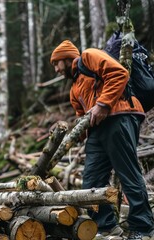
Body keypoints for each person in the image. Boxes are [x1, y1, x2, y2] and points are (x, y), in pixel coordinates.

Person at [50, 40, 154, 240]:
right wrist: (61, 133)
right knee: (91, 180)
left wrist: (103, 104)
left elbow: (119, 73)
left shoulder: (89, 57)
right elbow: (83, 120)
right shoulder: (74, 89)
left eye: (56, 64)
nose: (56, 70)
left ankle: (143, 228)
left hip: (120, 115)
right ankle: (106, 226)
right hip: (97, 130)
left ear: (66, 58)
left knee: (128, 174)